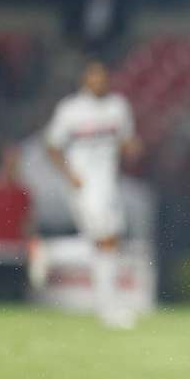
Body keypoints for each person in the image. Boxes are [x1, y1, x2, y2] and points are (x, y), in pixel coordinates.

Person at [46, 59, 141, 328]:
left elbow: (125, 141)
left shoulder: (118, 107)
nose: (98, 81)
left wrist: (132, 148)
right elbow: (52, 146)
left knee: (104, 242)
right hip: (84, 184)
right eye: (93, 77)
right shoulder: (70, 110)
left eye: (102, 76)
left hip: (108, 184)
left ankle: (106, 306)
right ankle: (109, 309)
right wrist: (69, 174)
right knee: (106, 240)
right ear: (85, 80)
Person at [0, 145, 33, 301]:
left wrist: (29, 244)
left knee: (15, 294)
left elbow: (29, 220)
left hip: (16, 248)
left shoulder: (24, 191)